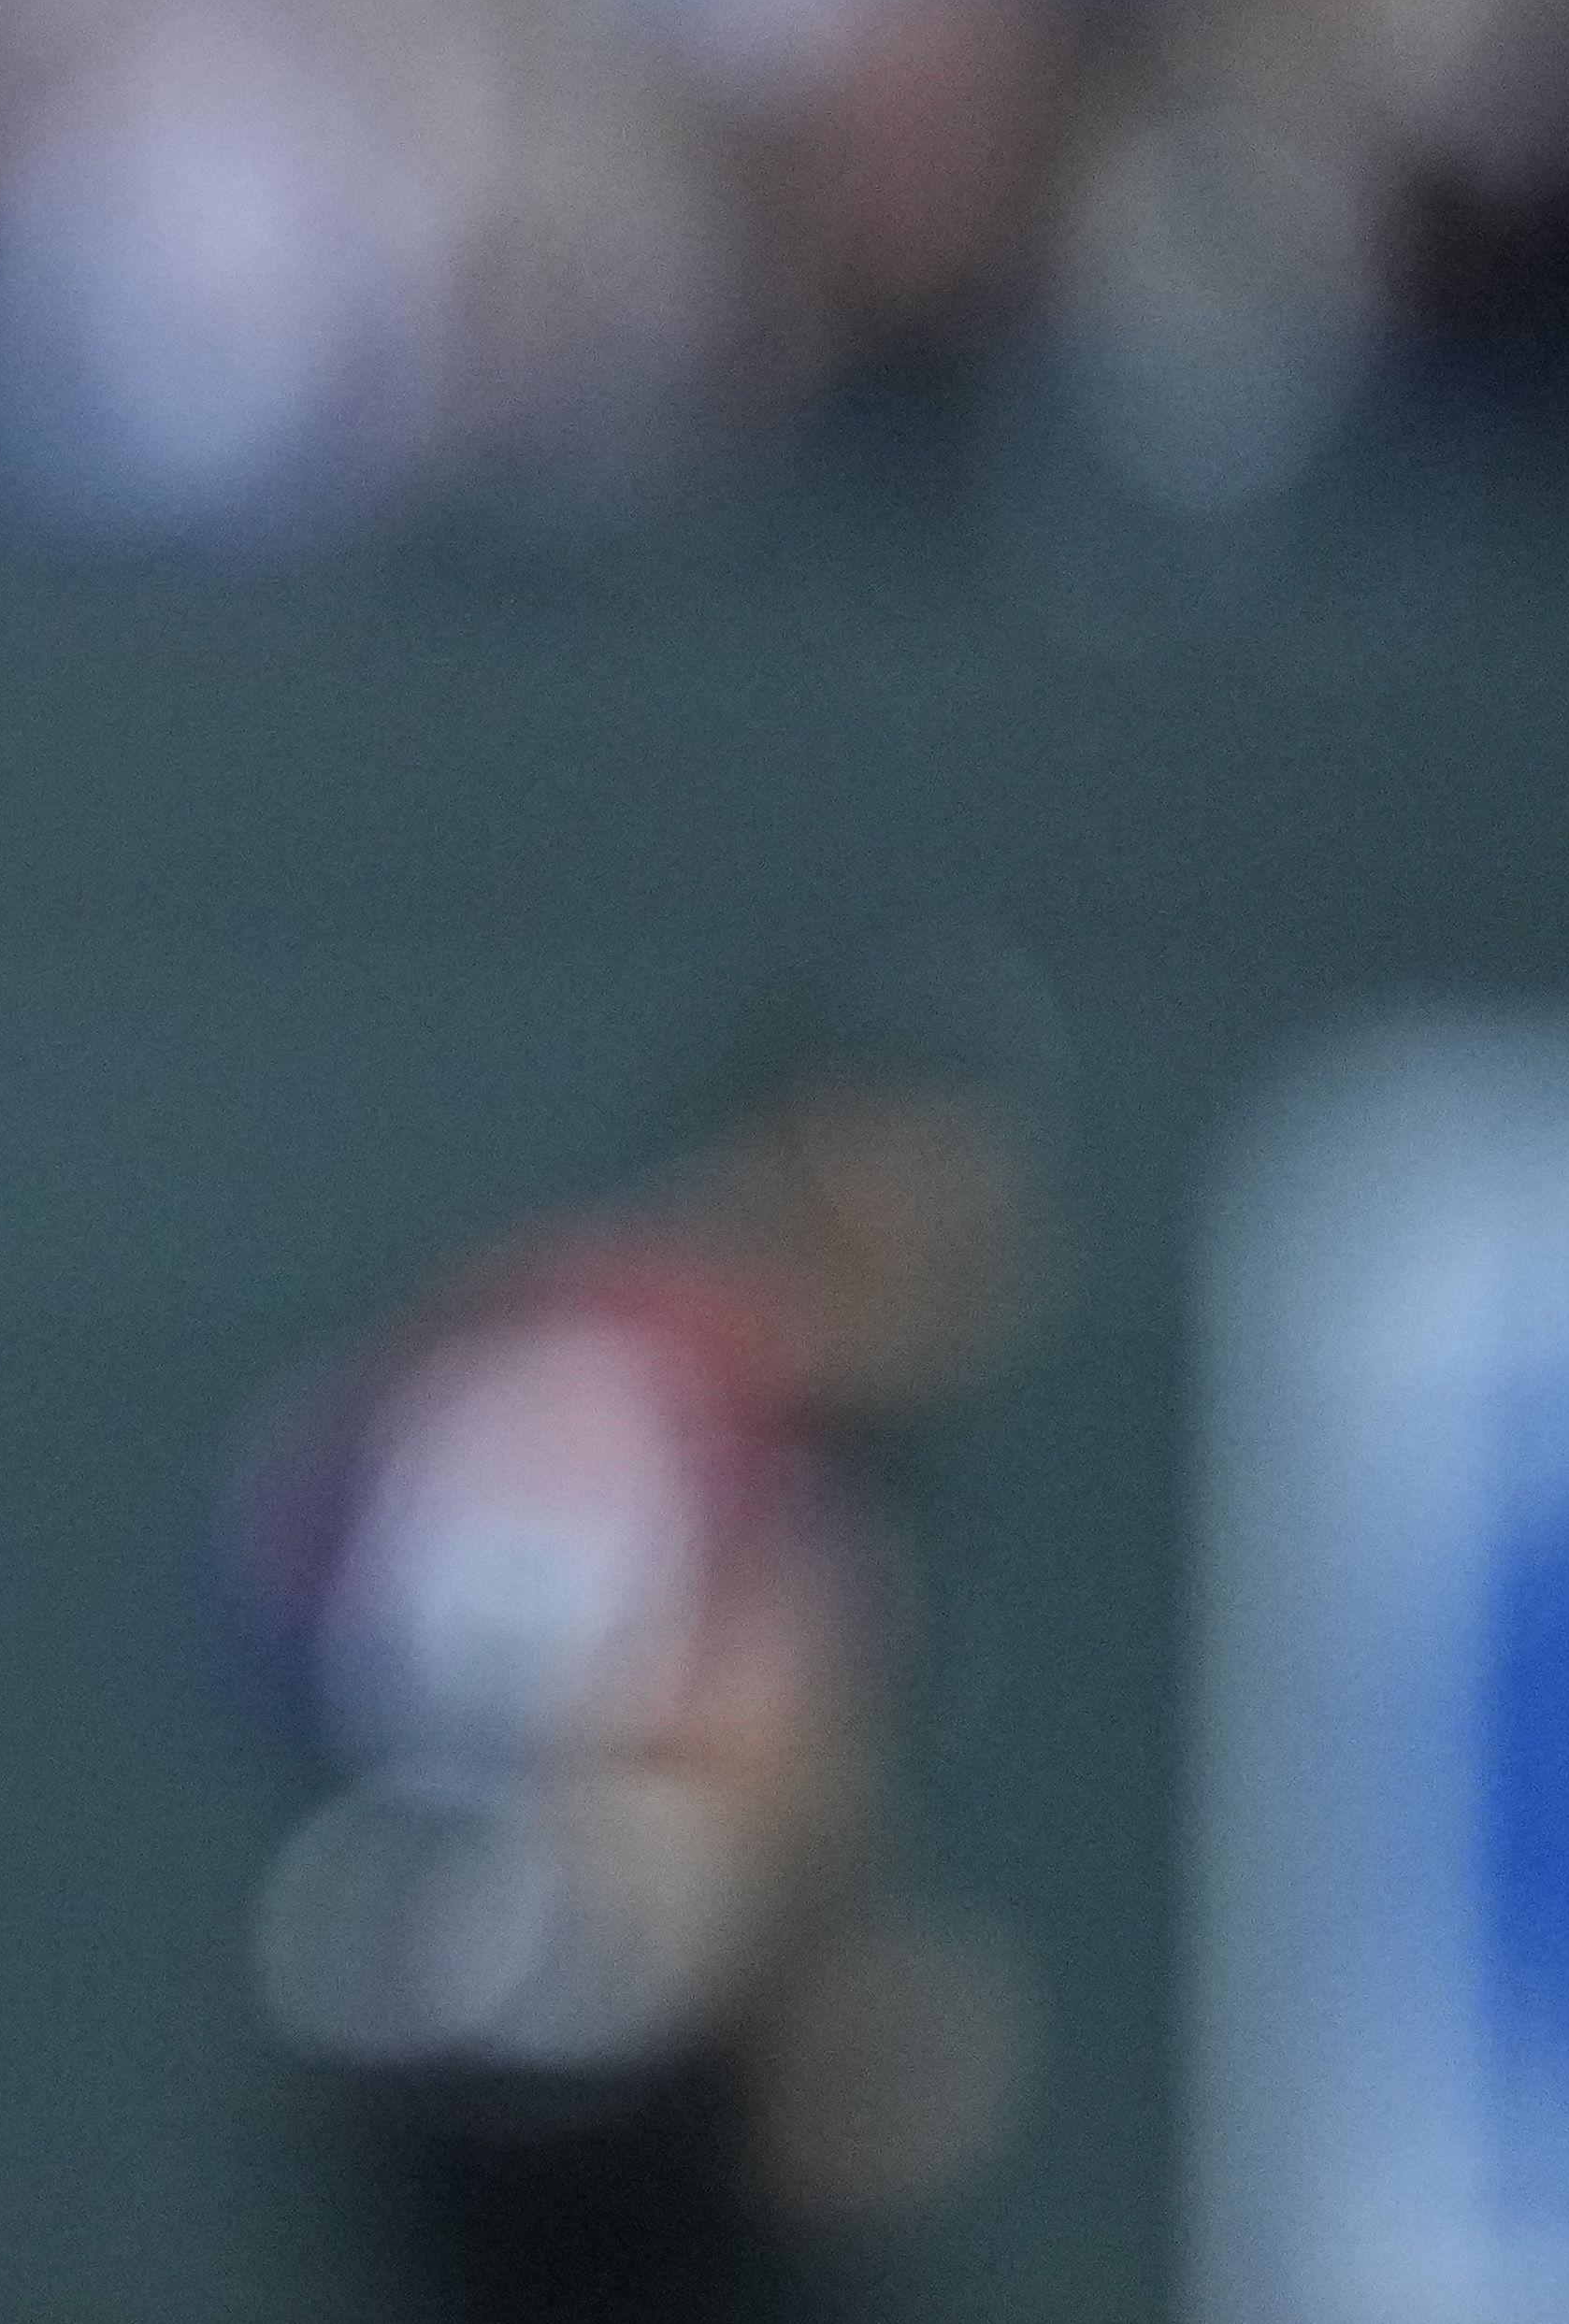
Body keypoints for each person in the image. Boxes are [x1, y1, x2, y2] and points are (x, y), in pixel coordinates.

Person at [224, 989, 1044, 2324]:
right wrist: (811, 1987)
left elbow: (279, 1595)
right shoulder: (694, 1384)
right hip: (615, 2092)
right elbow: (720, 1737)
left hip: (419, 2036)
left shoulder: (542, 1334)